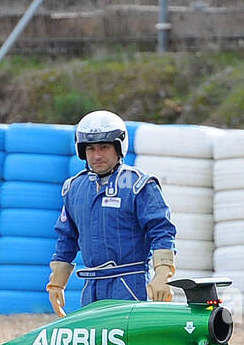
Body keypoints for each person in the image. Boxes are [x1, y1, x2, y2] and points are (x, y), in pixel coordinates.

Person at [47, 110, 176, 315]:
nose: (97, 155)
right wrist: (57, 281)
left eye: (104, 147)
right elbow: (67, 238)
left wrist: (163, 273)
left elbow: (161, 231)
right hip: (92, 288)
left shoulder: (139, 185)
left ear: (118, 148)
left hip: (129, 285)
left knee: (129, 344)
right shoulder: (74, 188)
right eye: (91, 148)